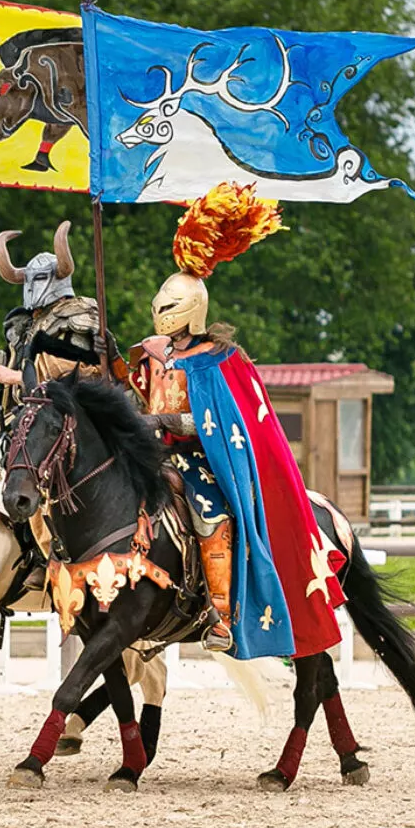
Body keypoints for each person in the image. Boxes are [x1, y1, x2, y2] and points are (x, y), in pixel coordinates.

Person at [128, 182, 345, 660]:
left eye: (170, 308)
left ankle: (221, 616)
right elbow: (125, 393)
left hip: (203, 461)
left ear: (190, 311)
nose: (161, 315)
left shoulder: (219, 361)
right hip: (152, 456)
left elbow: (216, 423)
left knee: (212, 514)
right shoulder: (151, 352)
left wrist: (163, 418)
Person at [0, 220, 118, 590]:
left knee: (33, 472)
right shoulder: (30, 323)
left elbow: (83, 373)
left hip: (71, 420)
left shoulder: (79, 315)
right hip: (26, 415)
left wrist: (15, 380)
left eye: (37, 279)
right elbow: (14, 367)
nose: (30, 286)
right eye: (26, 278)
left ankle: (52, 557)